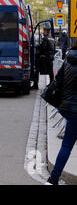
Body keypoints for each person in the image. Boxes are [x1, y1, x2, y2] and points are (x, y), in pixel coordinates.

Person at [45, 41, 77, 185]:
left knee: (66, 146)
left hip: (68, 109)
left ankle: (53, 179)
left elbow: (58, 82)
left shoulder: (68, 60)